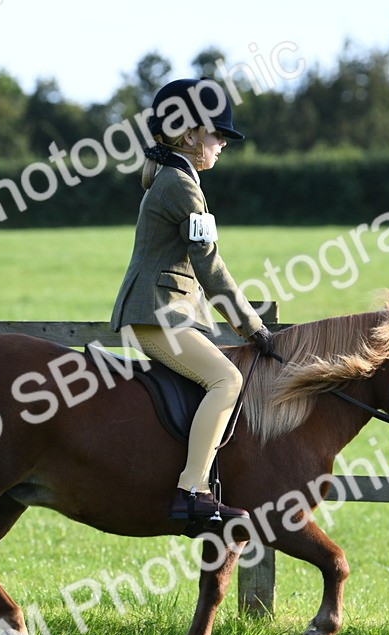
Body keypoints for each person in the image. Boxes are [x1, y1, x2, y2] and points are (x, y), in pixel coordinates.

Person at [110, 78, 276, 523]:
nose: (223, 143)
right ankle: (191, 491)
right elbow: (210, 266)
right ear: (189, 135)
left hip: (164, 314)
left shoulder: (175, 177)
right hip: (156, 317)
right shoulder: (182, 186)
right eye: (217, 134)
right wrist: (251, 326)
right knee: (227, 381)